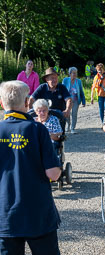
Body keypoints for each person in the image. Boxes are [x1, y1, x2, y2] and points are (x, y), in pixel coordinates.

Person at [0, 80, 61, 254]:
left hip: (5, 212)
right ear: (28, 103)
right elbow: (54, 174)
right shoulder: (38, 130)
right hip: (37, 211)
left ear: (1, 103)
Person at [62, 67, 86, 134]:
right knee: (67, 114)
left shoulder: (78, 81)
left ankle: (72, 128)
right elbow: (62, 90)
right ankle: (68, 125)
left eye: (76, 73)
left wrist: (83, 101)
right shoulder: (65, 80)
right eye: (73, 73)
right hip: (67, 101)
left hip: (75, 100)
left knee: (74, 114)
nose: (75, 74)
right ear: (70, 73)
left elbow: (81, 91)